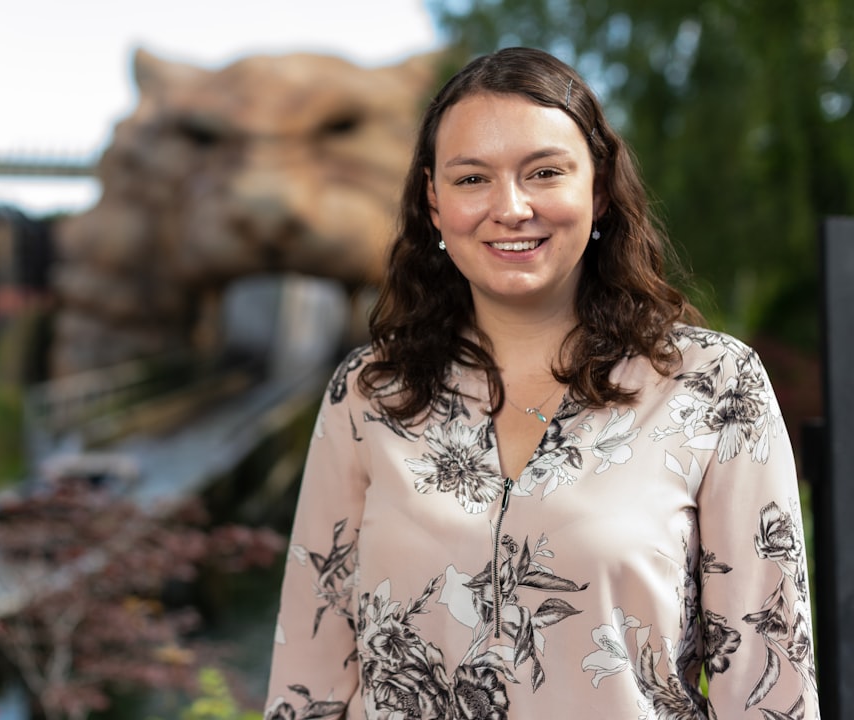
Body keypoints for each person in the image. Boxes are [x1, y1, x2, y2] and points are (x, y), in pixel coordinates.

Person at [263, 46, 819, 719]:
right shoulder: (369, 391)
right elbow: (309, 681)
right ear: (434, 203)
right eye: (472, 180)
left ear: (601, 189)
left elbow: (769, 687)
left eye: (545, 172)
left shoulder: (714, 386)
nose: (511, 207)